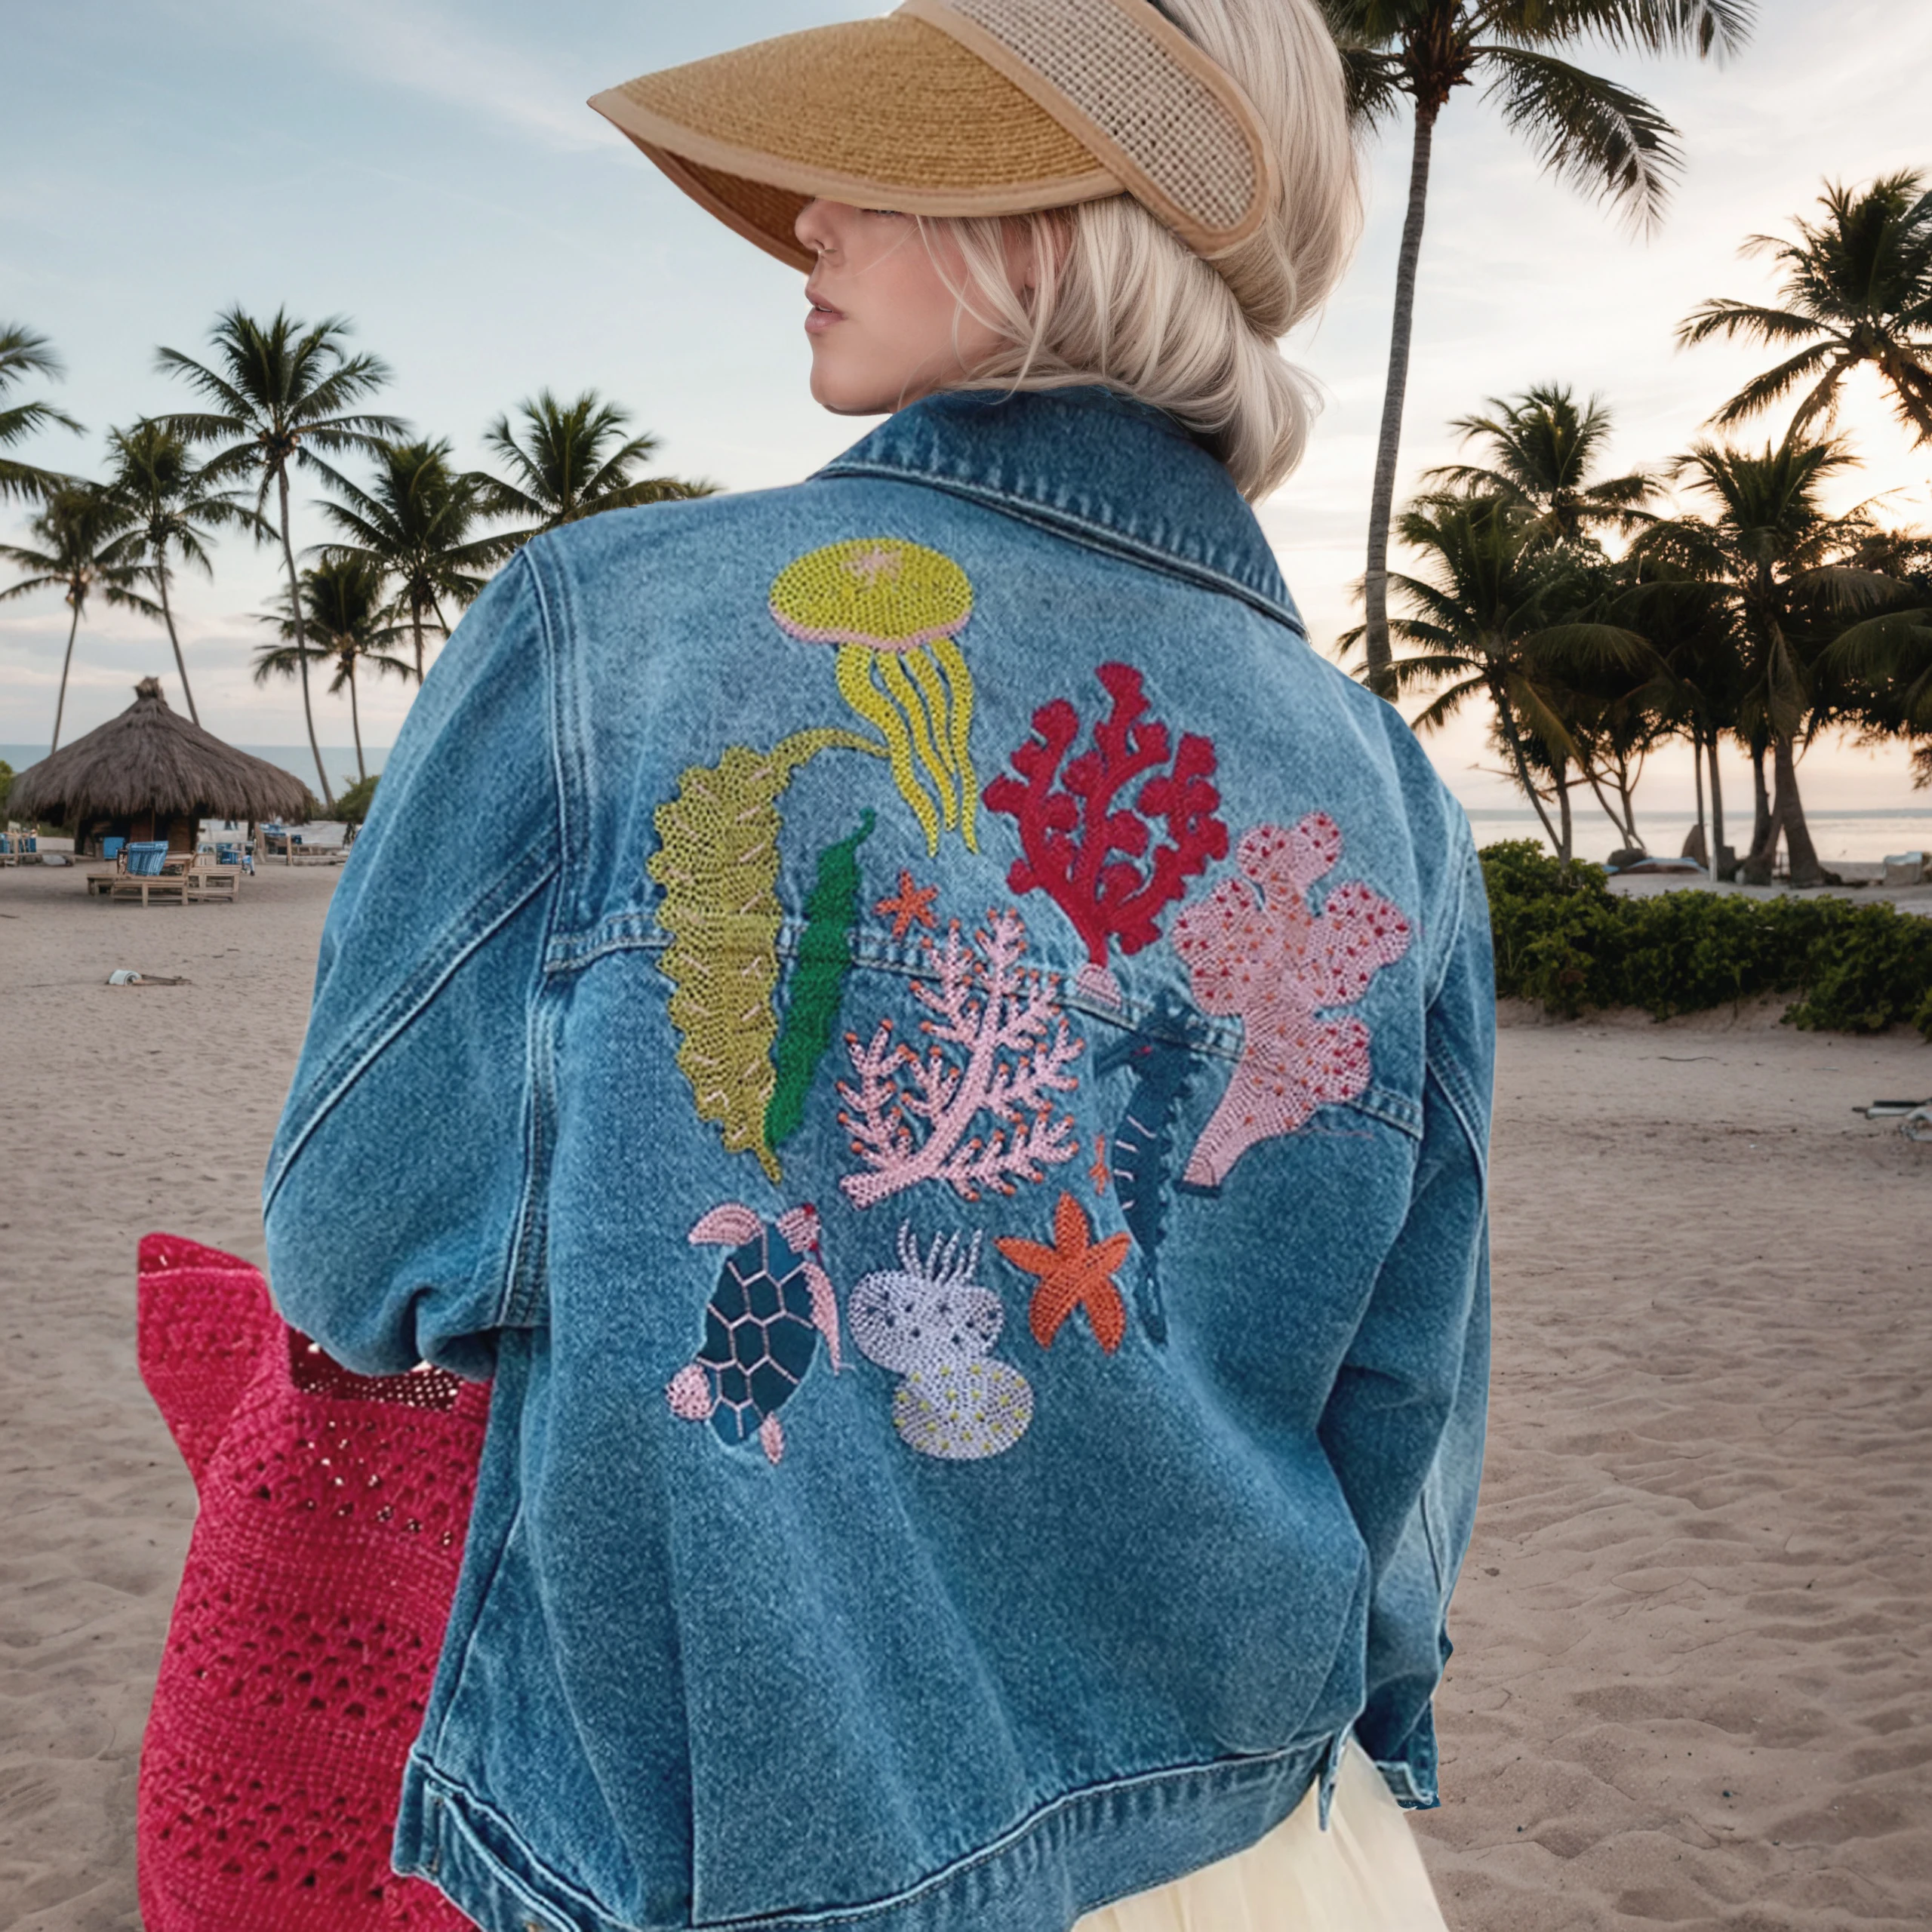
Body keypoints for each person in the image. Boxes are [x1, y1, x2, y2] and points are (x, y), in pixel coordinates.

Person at [263, 4, 1494, 1930]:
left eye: (887, 162)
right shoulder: (1385, 784)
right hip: (1266, 1845)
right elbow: (1400, 1403)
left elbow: (358, 1246)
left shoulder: (611, 630)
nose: (811, 217)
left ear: (1061, 220)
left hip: (774, 1854)